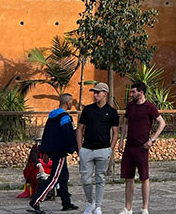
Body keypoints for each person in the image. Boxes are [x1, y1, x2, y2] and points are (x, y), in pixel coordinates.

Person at [118, 82, 166, 214]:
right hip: (129, 146)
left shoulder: (150, 107)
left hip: (142, 147)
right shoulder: (130, 106)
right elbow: (126, 123)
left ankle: (145, 208)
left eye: (133, 92)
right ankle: (128, 208)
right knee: (128, 178)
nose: (131, 94)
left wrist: (152, 140)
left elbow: (162, 123)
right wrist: (121, 140)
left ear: (141, 92)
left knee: (144, 177)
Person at [30, 93, 78, 214]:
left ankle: (66, 202)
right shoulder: (65, 117)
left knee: (64, 176)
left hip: (52, 150)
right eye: (71, 101)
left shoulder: (52, 116)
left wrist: (45, 151)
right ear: (68, 103)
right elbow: (69, 134)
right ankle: (36, 201)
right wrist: (75, 149)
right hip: (59, 151)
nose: (72, 104)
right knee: (54, 178)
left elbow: (47, 134)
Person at [77, 82, 120, 214]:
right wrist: (80, 148)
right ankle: (90, 202)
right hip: (87, 150)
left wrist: (110, 149)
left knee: (100, 178)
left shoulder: (112, 112)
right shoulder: (88, 109)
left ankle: (98, 206)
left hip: (103, 150)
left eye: (98, 92)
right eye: (94, 92)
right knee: (86, 179)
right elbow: (79, 129)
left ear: (105, 94)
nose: (95, 95)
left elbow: (115, 132)